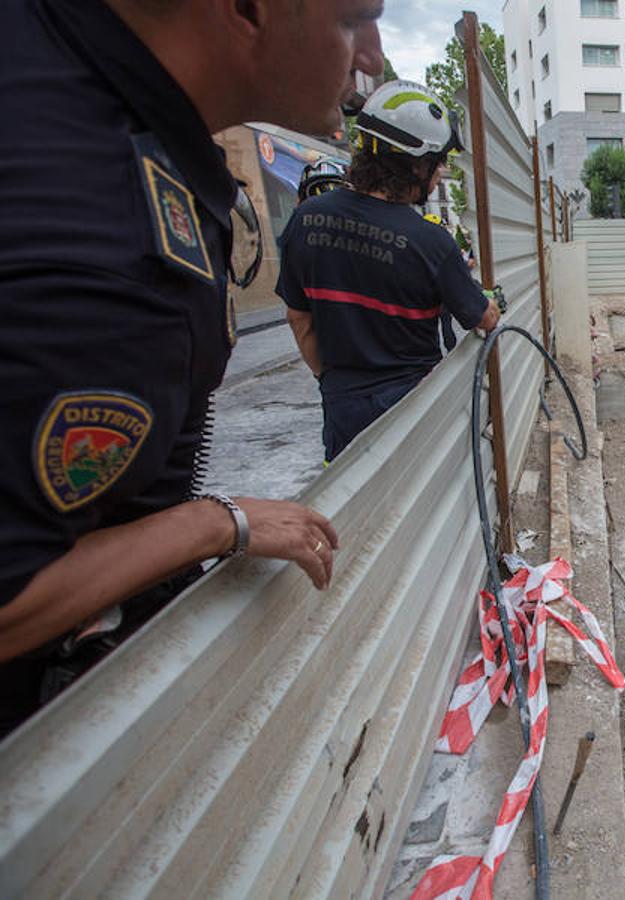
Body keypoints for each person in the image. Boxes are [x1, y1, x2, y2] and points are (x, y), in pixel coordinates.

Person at [0, 0, 383, 733]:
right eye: (351, 21)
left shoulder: (65, 78)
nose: (372, 56)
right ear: (246, 9)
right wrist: (212, 525)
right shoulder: (95, 251)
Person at [276, 80, 501, 464]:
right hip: (414, 406)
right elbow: (484, 317)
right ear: (415, 163)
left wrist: (334, 382)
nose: (441, 171)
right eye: (437, 161)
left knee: (349, 488)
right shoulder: (430, 241)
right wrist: (491, 300)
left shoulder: (306, 219)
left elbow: (299, 319)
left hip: (343, 409)